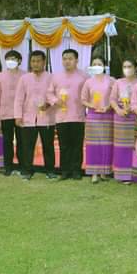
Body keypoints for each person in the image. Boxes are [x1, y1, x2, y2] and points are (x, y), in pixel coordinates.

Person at [14, 51, 56, 180]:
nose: (35, 64)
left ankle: (50, 170)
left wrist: (48, 105)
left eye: (38, 61)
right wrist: (17, 116)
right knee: (27, 146)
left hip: (47, 118)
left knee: (48, 145)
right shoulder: (24, 79)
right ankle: (27, 171)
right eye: (33, 61)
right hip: (29, 118)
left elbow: (55, 96)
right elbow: (19, 99)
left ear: (44, 62)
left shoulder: (51, 78)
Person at [47, 48, 87, 180]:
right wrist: (54, 101)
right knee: (63, 145)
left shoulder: (84, 76)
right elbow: (49, 93)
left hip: (78, 116)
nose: (67, 61)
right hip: (61, 116)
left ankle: (76, 170)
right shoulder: (56, 76)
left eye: (70, 58)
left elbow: (89, 93)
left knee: (77, 144)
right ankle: (65, 170)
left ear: (76, 60)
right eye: (64, 59)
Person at [81, 56, 115, 183]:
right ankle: (93, 172)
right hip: (93, 116)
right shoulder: (88, 82)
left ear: (104, 66)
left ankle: (104, 171)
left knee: (106, 144)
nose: (96, 66)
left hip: (107, 116)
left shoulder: (111, 81)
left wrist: (108, 107)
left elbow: (115, 98)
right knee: (93, 145)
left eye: (99, 64)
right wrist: (92, 106)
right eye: (94, 64)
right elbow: (83, 99)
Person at [0, 49, 25, 176]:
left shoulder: (25, 75)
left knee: (22, 141)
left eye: (13, 59)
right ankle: (8, 166)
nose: (11, 61)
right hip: (5, 113)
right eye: (8, 59)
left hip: (21, 114)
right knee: (7, 141)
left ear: (19, 61)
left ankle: (23, 166)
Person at [110, 58, 137, 184]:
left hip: (136, 118)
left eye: (130, 66)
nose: (127, 69)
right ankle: (122, 175)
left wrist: (135, 110)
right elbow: (112, 99)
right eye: (125, 66)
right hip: (121, 118)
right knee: (121, 147)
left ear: (135, 68)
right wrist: (118, 110)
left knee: (135, 146)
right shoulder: (118, 82)